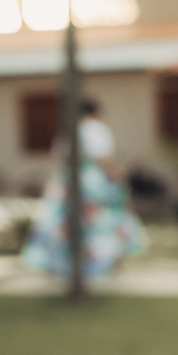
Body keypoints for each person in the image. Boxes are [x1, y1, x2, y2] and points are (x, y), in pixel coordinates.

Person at [22, 99, 145, 279]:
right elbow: (101, 157)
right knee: (106, 221)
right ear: (95, 112)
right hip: (92, 184)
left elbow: (58, 159)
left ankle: (58, 265)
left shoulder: (68, 131)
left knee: (62, 223)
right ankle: (103, 264)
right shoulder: (95, 128)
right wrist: (117, 174)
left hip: (66, 182)